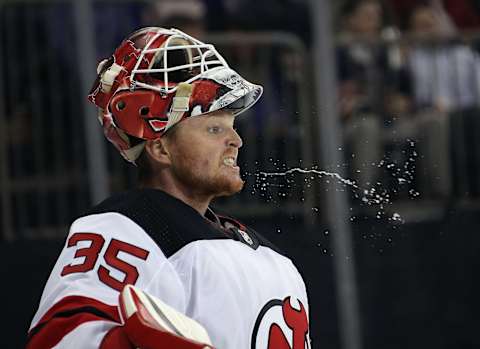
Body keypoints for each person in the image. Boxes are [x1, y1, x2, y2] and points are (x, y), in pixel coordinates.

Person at [26, 27, 311, 348]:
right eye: (214, 128)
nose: (236, 141)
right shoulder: (125, 228)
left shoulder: (273, 259)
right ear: (160, 148)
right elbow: (59, 340)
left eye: (232, 127)